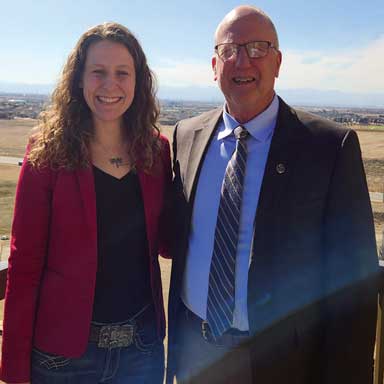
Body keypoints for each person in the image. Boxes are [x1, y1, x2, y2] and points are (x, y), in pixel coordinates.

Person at [167, 5, 379, 384]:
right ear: (214, 67)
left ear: (278, 62)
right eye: (229, 50)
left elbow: (357, 278)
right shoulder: (186, 136)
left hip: (284, 359)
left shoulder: (328, 147)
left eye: (257, 48)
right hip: (196, 351)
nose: (242, 61)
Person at [0, 22, 171, 383]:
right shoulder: (48, 153)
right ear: (78, 80)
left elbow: (170, 239)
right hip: (62, 359)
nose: (110, 85)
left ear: (138, 81)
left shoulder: (156, 153)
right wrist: (14, 368)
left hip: (142, 350)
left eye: (122, 73)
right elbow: (24, 262)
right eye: (98, 72)